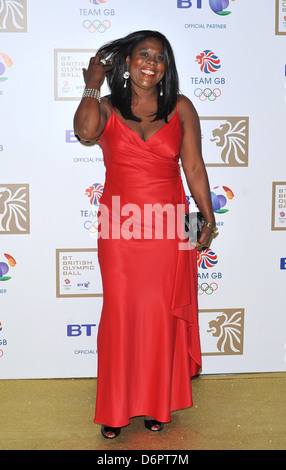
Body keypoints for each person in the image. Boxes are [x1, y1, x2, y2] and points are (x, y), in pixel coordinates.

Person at [74, 30, 216, 439]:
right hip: (120, 224)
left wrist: (207, 219)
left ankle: (159, 403)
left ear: (166, 67)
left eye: (158, 57)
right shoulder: (105, 107)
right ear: (128, 61)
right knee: (121, 313)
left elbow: (194, 169)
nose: (150, 63)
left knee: (162, 314)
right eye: (143, 54)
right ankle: (115, 409)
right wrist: (92, 82)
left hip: (174, 224)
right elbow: (84, 132)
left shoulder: (182, 107)